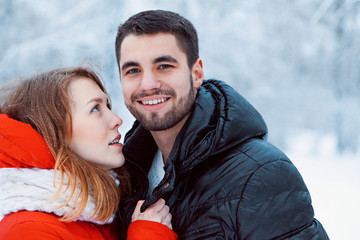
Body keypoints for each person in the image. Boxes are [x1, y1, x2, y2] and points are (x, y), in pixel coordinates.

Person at [114, 10, 329, 239]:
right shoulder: (124, 179)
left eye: (164, 66)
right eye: (133, 70)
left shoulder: (261, 174)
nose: (148, 84)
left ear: (196, 73)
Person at [0, 66, 177, 240]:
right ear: (55, 131)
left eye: (107, 105)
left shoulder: (102, 205)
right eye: (95, 109)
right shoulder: (25, 230)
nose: (117, 120)